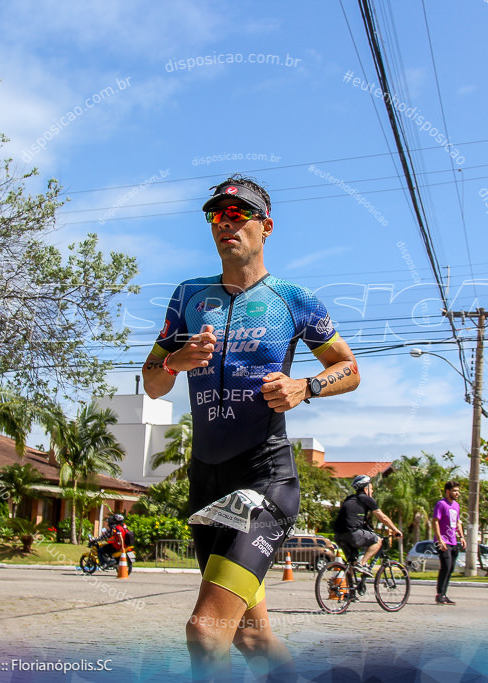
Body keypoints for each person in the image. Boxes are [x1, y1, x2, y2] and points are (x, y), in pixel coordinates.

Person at [142, 175, 359, 681]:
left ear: (266, 227)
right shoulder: (188, 297)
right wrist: (176, 362)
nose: (227, 224)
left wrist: (307, 387)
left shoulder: (293, 299)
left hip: (263, 480)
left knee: (206, 630)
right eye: (217, 216)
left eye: (239, 215)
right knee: (251, 635)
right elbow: (152, 385)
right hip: (206, 483)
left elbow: (350, 367)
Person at [333, 475, 402, 576]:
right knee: (377, 540)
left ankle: (346, 589)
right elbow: (383, 517)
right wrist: (395, 530)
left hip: (338, 536)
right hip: (352, 533)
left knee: (352, 565)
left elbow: (354, 518)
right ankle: (362, 563)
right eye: (372, 488)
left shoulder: (350, 499)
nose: (372, 491)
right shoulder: (366, 499)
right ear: (366, 489)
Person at [432, 481, 466, 606]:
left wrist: (461, 537)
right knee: (445, 566)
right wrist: (439, 539)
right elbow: (435, 521)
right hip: (442, 541)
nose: (457, 493)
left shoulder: (456, 505)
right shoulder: (441, 504)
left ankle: (444, 594)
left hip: (453, 541)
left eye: (458, 491)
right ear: (447, 491)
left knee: (450, 568)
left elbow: (458, 523)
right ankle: (439, 594)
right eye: (454, 491)